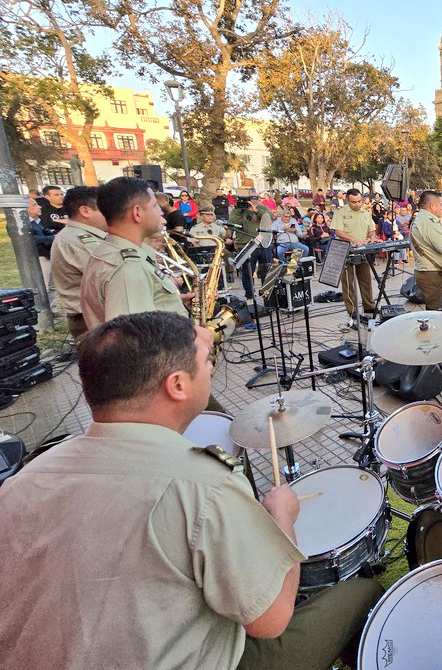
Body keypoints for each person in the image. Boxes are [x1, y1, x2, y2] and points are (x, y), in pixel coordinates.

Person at [0, 312, 381, 670]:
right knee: (363, 593)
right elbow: (270, 619)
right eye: (206, 363)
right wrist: (283, 516)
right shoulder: (205, 482)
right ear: (178, 385)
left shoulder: (22, 482)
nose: (211, 370)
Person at [80, 178, 192, 331]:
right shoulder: (128, 268)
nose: (161, 212)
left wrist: (171, 303)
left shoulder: (113, 251)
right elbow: (135, 342)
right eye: (154, 206)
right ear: (137, 213)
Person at [49, 186, 108, 338]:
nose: (111, 213)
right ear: (85, 211)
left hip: (94, 316)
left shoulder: (84, 236)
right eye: (105, 209)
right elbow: (109, 276)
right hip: (90, 319)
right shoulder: (79, 240)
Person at [331, 188, 377, 325]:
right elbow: (338, 231)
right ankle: (352, 311)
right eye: (353, 202)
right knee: (348, 283)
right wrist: (353, 240)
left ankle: (369, 306)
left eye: (359, 201)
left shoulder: (365, 212)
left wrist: (372, 238)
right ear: (347, 200)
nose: (357, 204)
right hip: (346, 250)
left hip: (362, 251)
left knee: (366, 280)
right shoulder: (340, 212)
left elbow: (371, 229)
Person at [229, 195, 275, 300]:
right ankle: (249, 295)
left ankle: (267, 295)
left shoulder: (261, 207)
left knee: (266, 270)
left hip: (263, 243)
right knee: (247, 272)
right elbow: (232, 223)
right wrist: (239, 210)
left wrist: (255, 210)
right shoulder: (236, 210)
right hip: (245, 244)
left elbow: (271, 217)